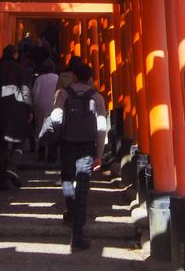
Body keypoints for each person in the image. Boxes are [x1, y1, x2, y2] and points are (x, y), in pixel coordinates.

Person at [50, 60, 107, 251]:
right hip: (88, 146)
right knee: (83, 185)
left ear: (73, 76)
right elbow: (101, 126)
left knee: (67, 178)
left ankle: (72, 212)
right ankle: (78, 234)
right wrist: (99, 153)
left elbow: (56, 118)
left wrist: (58, 132)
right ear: (89, 78)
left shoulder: (64, 93)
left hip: (67, 143)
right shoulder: (97, 97)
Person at [0, 44, 33, 190]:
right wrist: (29, 109)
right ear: (16, 55)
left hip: (0, 111)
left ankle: (3, 179)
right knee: (19, 141)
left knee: (2, 144)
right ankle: (12, 167)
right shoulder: (22, 71)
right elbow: (25, 91)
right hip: (18, 111)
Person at [33, 58, 59, 161]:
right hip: (54, 104)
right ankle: (52, 154)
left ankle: (41, 151)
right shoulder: (57, 77)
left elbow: (34, 93)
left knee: (41, 127)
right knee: (54, 128)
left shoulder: (39, 79)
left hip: (40, 104)